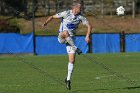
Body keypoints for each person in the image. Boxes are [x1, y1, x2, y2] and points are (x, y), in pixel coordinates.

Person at [42, 2, 92, 90]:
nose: (81, 10)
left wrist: (87, 36)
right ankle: (75, 48)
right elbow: (53, 16)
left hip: (71, 40)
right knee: (66, 32)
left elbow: (89, 26)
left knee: (72, 60)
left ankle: (68, 80)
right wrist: (46, 22)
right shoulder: (66, 13)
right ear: (75, 8)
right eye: (80, 8)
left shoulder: (80, 17)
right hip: (62, 37)